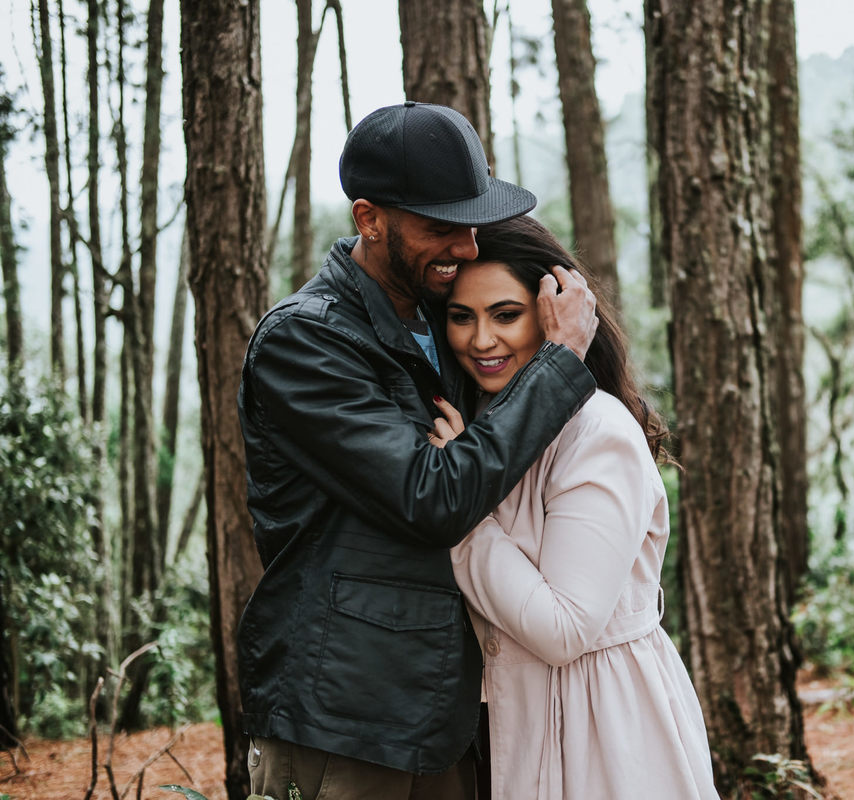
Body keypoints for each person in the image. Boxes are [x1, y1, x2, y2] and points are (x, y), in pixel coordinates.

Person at [236, 102, 598, 800]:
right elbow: (432, 497)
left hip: (445, 714)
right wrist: (561, 364)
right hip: (343, 720)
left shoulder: (446, 314)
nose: (466, 248)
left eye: (470, 224)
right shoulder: (304, 342)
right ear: (369, 219)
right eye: (440, 228)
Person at [429, 215, 720, 800]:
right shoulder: (486, 427)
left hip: (605, 727)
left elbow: (564, 629)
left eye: (505, 314)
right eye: (462, 317)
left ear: (554, 312)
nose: (481, 340)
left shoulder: (598, 431)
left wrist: (456, 513)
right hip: (520, 719)